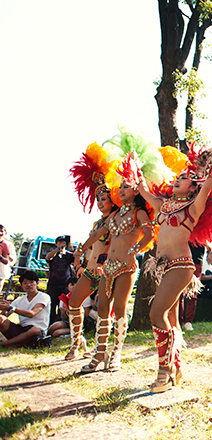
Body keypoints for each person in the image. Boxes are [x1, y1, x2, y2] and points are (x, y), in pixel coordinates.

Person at [137, 140, 212, 392]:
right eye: (177, 177)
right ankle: (176, 366)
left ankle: (163, 371)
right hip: (163, 267)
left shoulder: (193, 206)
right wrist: (137, 174)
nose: (177, 179)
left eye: (184, 178)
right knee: (170, 318)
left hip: (181, 266)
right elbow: (145, 192)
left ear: (193, 188)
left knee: (156, 313)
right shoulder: (166, 204)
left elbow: (209, 184)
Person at [75, 179, 154, 373]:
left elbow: (149, 234)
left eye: (126, 186)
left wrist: (133, 250)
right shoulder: (115, 215)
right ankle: (100, 353)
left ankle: (117, 352)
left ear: (136, 190)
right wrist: (80, 249)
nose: (121, 190)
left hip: (126, 267)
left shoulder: (139, 213)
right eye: (120, 187)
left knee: (119, 308)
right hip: (108, 267)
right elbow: (96, 235)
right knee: (102, 307)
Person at [67, 144, 119, 360]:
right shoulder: (98, 221)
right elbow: (91, 245)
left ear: (113, 200)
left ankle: (106, 352)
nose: (99, 202)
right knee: (73, 303)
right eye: (97, 199)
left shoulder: (117, 220)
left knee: (107, 312)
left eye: (104, 199)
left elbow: (111, 245)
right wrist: (80, 261)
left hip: (108, 270)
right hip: (90, 270)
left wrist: (100, 264)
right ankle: (76, 343)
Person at [0, 270, 51, 348]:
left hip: (37, 331)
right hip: (22, 329)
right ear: (21, 286)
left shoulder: (44, 297)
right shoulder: (19, 300)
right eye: (25, 283)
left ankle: (5, 344)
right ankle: (19, 342)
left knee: (34, 330)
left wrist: (12, 308)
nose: (28, 285)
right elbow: (5, 316)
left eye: (31, 282)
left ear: (37, 283)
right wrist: (4, 309)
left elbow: (32, 313)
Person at [45, 235, 75, 326]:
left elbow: (77, 260)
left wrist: (71, 249)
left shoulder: (68, 255)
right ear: (56, 243)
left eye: (63, 241)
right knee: (52, 304)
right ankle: (50, 323)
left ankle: (61, 322)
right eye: (60, 241)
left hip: (64, 284)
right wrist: (58, 249)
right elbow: (48, 258)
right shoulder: (53, 254)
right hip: (53, 284)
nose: (62, 243)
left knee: (63, 305)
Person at [0, 224, 17, 292]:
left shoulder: (8, 244)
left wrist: (6, 255)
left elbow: (13, 260)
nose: (0, 233)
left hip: (1, 272)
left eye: (2, 231)